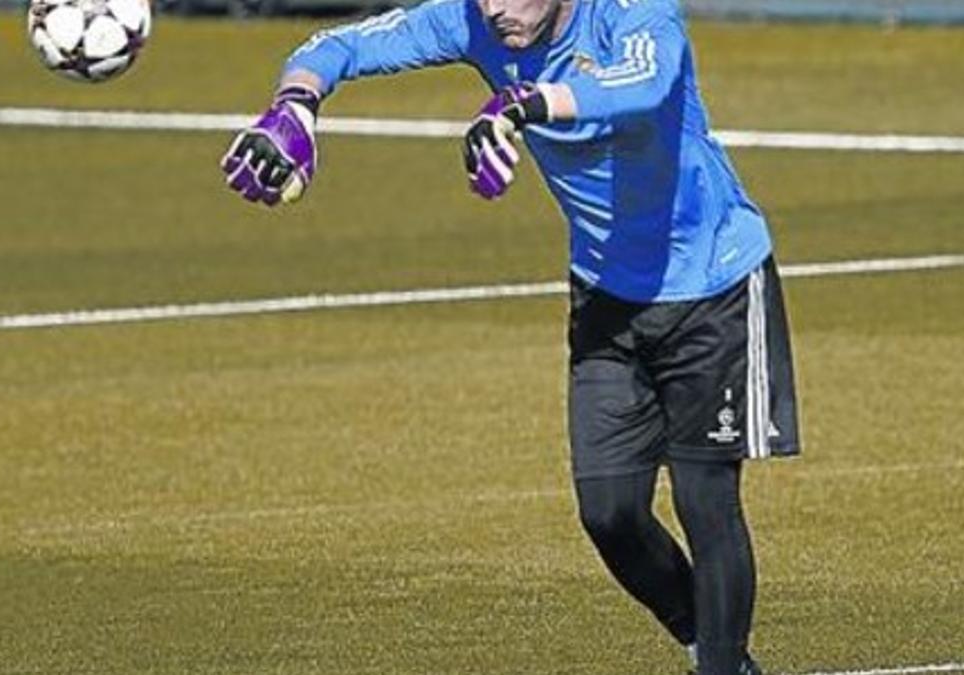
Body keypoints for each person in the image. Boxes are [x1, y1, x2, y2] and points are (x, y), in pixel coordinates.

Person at [220, 0, 801, 671]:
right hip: (606, 298)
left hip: (713, 284)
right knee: (609, 513)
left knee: (706, 496)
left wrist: (523, 104)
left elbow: (643, 85)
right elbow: (337, 45)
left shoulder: (635, 13)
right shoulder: (471, 18)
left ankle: (721, 665)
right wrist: (297, 106)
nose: (495, 10)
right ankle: (711, 646)